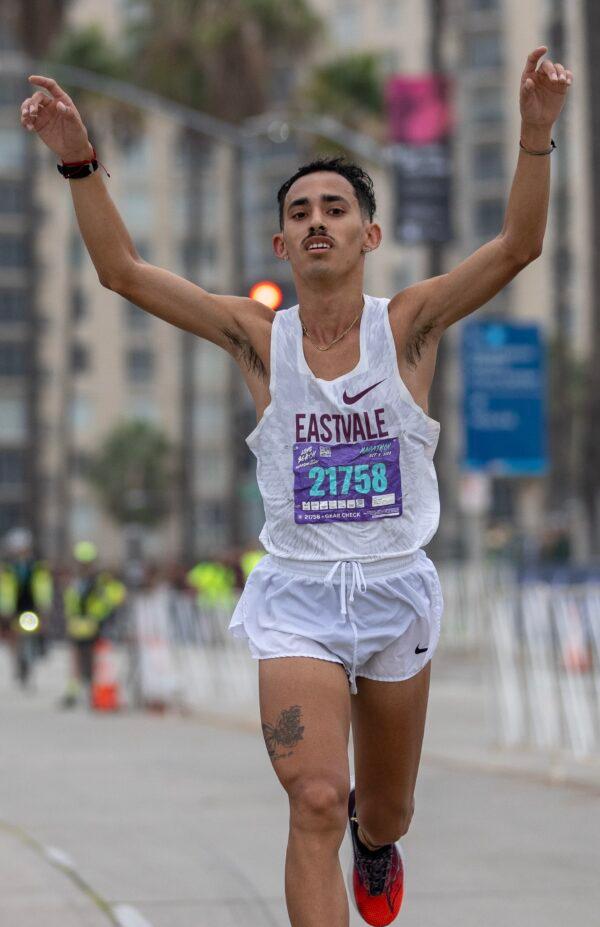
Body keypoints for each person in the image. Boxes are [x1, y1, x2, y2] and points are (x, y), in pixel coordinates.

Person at [20, 46, 571, 925]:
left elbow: (518, 246)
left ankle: (378, 843)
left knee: (380, 809)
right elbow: (122, 272)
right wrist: (79, 160)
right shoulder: (256, 338)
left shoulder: (412, 326)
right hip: (298, 597)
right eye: (301, 212)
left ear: (369, 236)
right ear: (280, 241)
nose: (318, 222)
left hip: (397, 588)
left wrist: (535, 134)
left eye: (337, 209)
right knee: (316, 796)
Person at [61, 541, 126, 708]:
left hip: (93, 624)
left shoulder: (101, 581)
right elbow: (71, 601)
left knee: (91, 660)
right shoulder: (75, 581)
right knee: (76, 659)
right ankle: (74, 691)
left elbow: (117, 595)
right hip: (77, 624)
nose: (83, 566)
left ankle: (93, 691)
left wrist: (101, 613)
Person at [0, 527, 53, 687]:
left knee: (37, 630)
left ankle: (38, 652)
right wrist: (5, 608)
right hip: (15, 607)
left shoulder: (37, 566)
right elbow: (5, 589)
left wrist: (44, 606)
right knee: (14, 636)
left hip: (32, 606)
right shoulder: (8, 568)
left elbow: (44, 586)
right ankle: (18, 662)